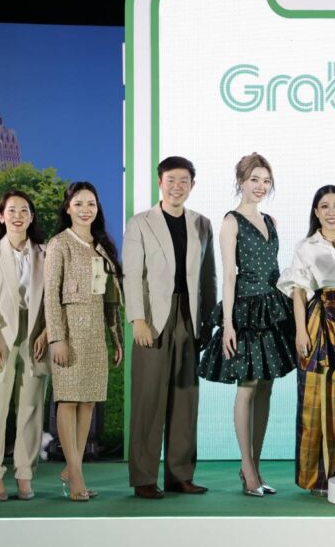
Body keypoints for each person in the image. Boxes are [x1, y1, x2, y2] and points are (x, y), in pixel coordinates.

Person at [199, 153, 297, 497]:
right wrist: (228, 325)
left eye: (266, 181)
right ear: (240, 181)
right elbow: (229, 274)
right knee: (248, 385)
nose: (260, 186)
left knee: (266, 385)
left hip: (273, 307)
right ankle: (246, 466)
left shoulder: (271, 220)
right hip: (245, 310)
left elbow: (275, 268)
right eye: (254, 179)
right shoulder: (231, 221)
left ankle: (256, 466)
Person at [123, 156, 217, 499]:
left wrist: (207, 320)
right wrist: (137, 319)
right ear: (160, 182)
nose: (178, 187)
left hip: (189, 317)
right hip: (153, 318)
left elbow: (208, 276)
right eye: (171, 180)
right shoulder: (141, 223)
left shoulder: (202, 224)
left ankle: (180, 475)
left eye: (184, 181)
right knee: (148, 399)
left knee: (185, 398)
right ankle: (144, 478)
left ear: (192, 185)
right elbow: (132, 274)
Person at [278, 185, 335, 497]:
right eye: (325, 206)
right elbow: (298, 291)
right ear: (316, 212)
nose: (332, 212)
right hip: (317, 320)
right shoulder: (306, 246)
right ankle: (316, 478)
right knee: (314, 394)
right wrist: (300, 331)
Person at [44, 181, 124, 501]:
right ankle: (75, 475)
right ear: (68, 208)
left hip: (95, 334)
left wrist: (116, 338)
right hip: (69, 331)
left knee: (89, 401)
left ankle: (74, 468)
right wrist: (57, 338)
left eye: (91, 203)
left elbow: (109, 299)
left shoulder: (101, 246)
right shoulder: (59, 244)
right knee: (68, 400)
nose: (85, 209)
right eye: (78, 203)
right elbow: (51, 296)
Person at [0, 190, 50, 501]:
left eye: (24, 210)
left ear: (31, 217)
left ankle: (25, 474)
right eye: (12, 210)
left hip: (36, 337)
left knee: (31, 409)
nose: (18, 216)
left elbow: (52, 299)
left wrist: (47, 332)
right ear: (1, 217)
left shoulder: (46, 253)